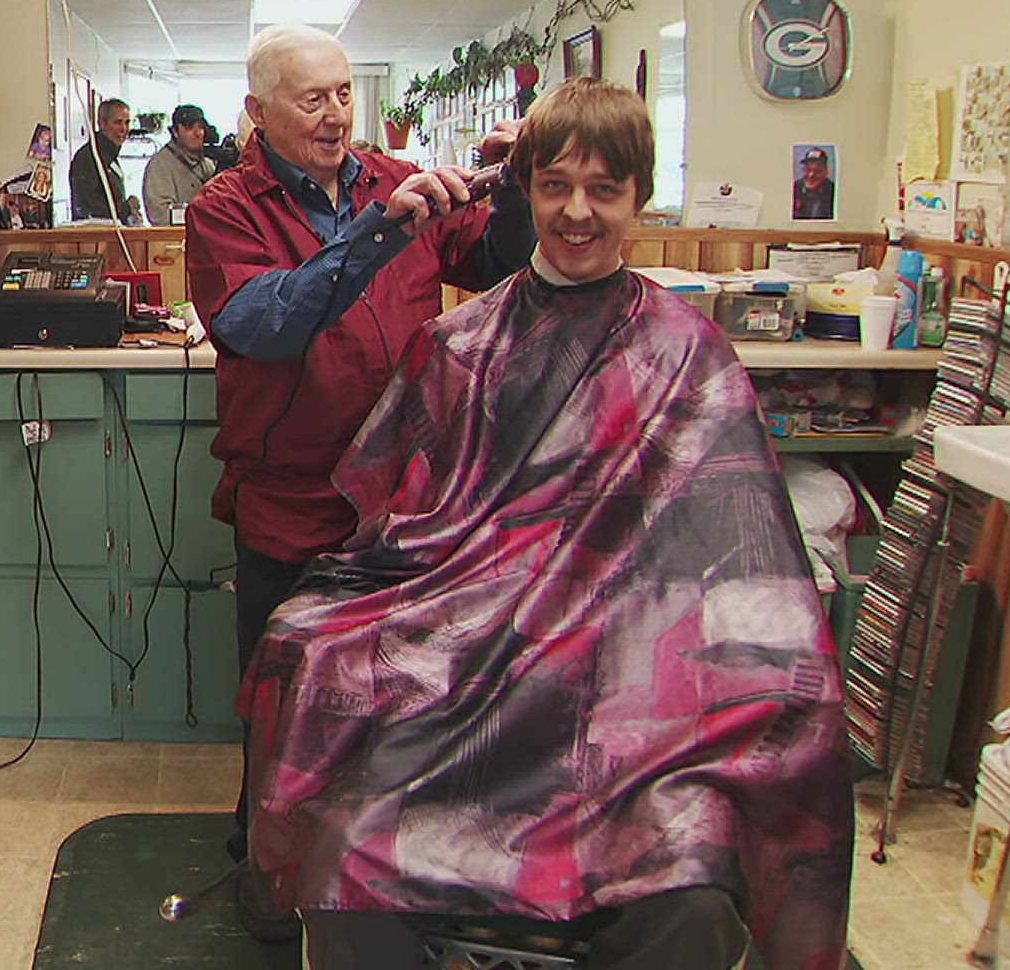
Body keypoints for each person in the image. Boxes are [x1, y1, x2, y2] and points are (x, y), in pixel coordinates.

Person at [243, 78, 852, 970]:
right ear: (525, 191)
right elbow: (406, 535)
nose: (577, 212)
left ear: (637, 198)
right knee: (351, 827)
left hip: (639, 660)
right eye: (556, 185)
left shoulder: (690, 353)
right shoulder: (459, 347)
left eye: (603, 189)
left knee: (692, 871)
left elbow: (743, 554)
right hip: (474, 647)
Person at [183, 22, 536, 941]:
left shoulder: (391, 178)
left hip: (403, 507)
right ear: (257, 113)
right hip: (289, 503)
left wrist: (517, 189)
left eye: (344, 93)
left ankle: (366, 889)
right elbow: (266, 324)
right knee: (282, 710)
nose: (337, 114)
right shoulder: (226, 207)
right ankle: (263, 879)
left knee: (386, 709)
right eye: (313, 99)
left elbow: (494, 262)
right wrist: (379, 237)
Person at [141, 103, 217, 226]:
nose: (197, 133)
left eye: (200, 127)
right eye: (189, 128)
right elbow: (159, 215)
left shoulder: (208, 165)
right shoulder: (160, 165)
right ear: (175, 131)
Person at [69, 97, 133, 221]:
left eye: (127, 122)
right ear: (102, 123)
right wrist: (126, 208)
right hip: (97, 236)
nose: (124, 129)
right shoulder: (88, 158)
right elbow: (86, 207)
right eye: (118, 122)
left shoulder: (110, 156)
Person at [793, 146, 835, 220]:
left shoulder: (834, 192)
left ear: (826, 171)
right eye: (808, 170)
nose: (811, 175)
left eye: (817, 171)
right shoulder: (794, 189)